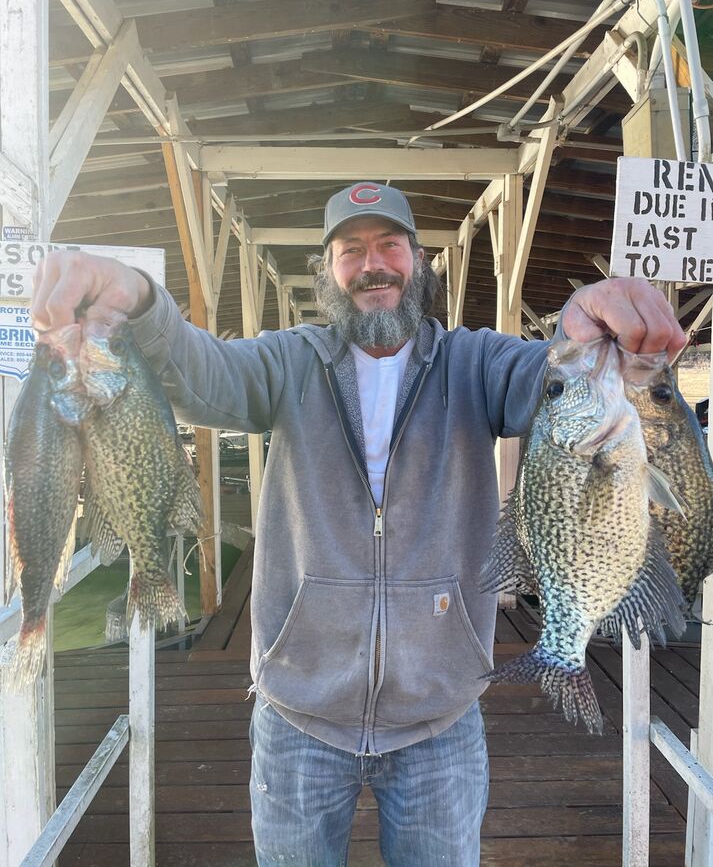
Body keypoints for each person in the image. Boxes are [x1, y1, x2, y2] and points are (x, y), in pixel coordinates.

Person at [32, 183, 685, 866]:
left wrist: (584, 326)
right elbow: (200, 373)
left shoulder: (475, 361)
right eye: (351, 250)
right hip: (297, 719)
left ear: (418, 260)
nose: (373, 264)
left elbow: (550, 380)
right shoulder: (287, 361)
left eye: (389, 246)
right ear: (329, 271)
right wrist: (136, 293)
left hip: (439, 720)